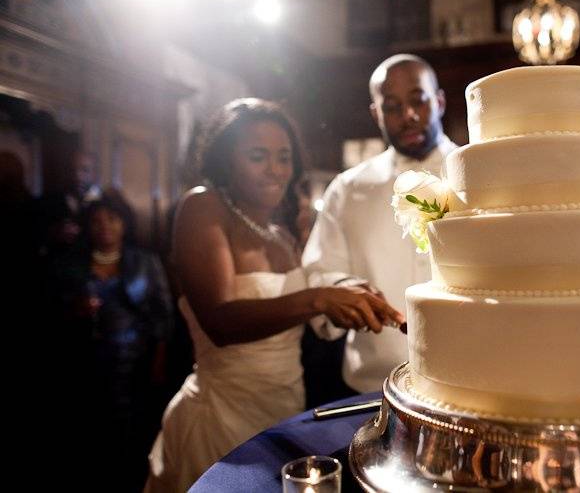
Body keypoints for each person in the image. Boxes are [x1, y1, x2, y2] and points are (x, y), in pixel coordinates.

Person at [144, 99, 403, 492]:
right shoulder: (202, 206)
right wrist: (317, 299)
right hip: (221, 413)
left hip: (284, 406)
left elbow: (292, 313)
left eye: (283, 157)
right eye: (257, 156)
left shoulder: (281, 235)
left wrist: (344, 299)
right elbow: (219, 321)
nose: (275, 170)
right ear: (226, 161)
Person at [302, 54, 458, 395]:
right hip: (372, 389)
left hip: (473, 381)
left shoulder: (481, 177)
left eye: (419, 101)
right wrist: (343, 289)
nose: (409, 116)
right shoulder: (347, 188)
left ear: (440, 101)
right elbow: (321, 269)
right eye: (392, 107)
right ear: (376, 113)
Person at [45, 189, 173, 491]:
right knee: (91, 439)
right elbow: (49, 313)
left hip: (135, 364)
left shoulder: (145, 261)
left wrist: (159, 361)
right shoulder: (70, 265)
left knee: (134, 437)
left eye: (112, 219)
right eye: (97, 220)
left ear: (124, 223)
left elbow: (163, 316)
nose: (105, 226)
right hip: (85, 366)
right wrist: (73, 308)